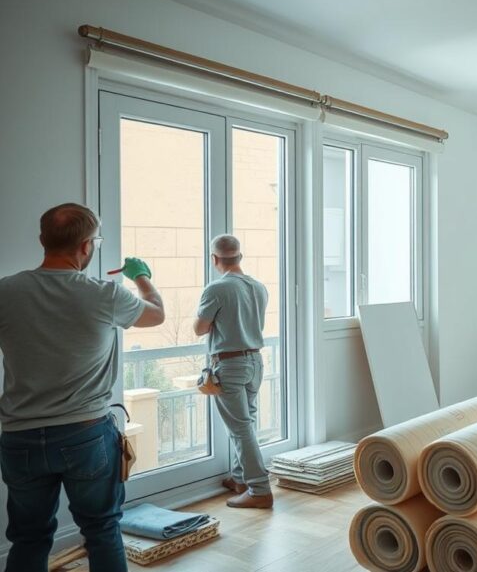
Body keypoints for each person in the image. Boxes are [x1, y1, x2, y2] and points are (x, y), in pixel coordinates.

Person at [0, 203, 164, 572]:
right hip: (86, 434)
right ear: (87, 246)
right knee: (102, 530)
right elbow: (157, 313)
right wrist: (140, 277)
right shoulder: (104, 294)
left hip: (20, 435)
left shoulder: (6, 291)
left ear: (43, 240)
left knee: (28, 538)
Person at [193, 234, 273, 509]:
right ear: (240, 257)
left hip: (230, 363)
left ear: (215, 259)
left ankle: (259, 489)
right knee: (246, 423)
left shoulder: (217, 289)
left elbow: (200, 328)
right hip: (255, 362)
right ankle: (240, 479)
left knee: (240, 429)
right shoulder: (259, 287)